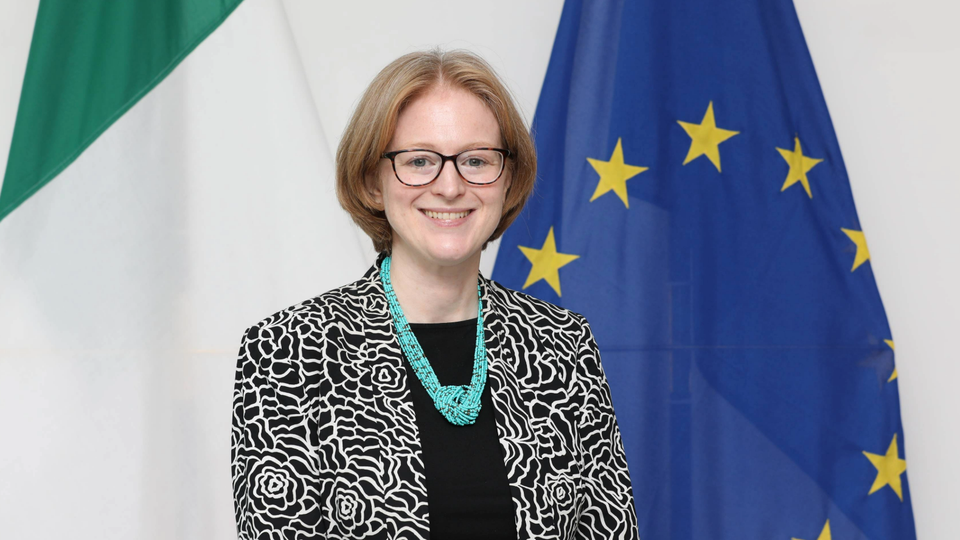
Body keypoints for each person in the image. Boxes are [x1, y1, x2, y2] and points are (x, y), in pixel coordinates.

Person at [231, 49, 638, 540]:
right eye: (420, 160)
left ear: (508, 180)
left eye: (476, 160)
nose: (450, 186)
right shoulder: (289, 351)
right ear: (372, 181)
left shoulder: (563, 344)